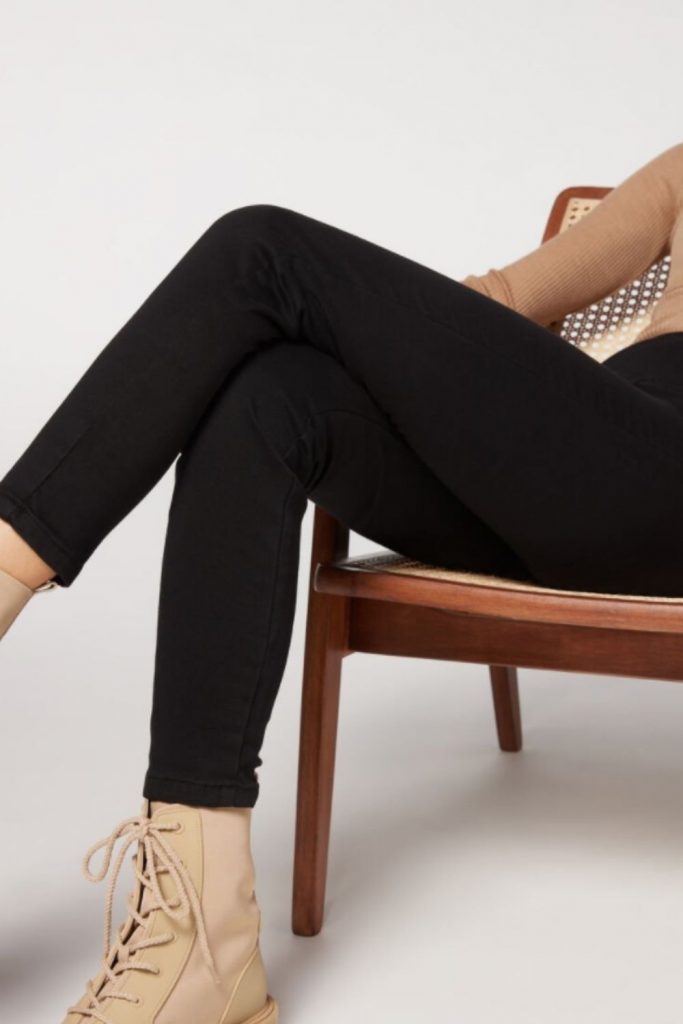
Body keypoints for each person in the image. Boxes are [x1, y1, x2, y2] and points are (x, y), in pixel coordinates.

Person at [2, 138, 683, 1024]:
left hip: (659, 491)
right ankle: (204, 935)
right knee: (273, 395)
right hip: (575, 474)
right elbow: (503, 303)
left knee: (262, 248)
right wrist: (377, 333)